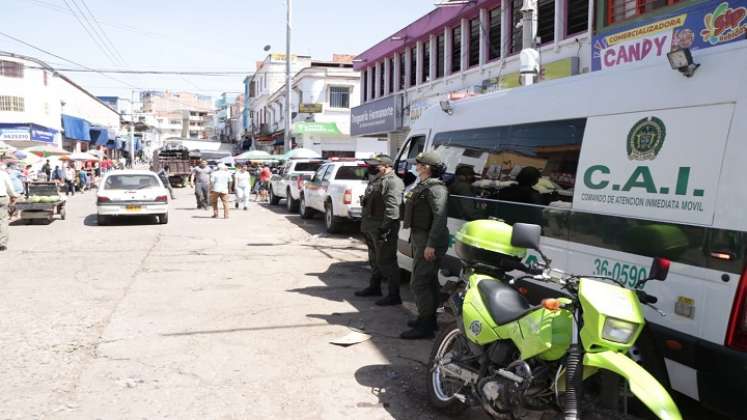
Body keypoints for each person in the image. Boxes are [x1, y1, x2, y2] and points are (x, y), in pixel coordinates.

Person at [401, 151, 450, 339]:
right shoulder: (423, 185)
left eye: (420, 163)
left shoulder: (436, 189)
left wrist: (431, 245)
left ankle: (425, 326)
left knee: (419, 283)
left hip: (430, 241)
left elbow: (440, 218)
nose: (417, 165)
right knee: (429, 282)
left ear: (427, 167)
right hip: (421, 239)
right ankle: (428, 320)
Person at [355, 155, 405, 306]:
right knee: (374, 259)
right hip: (371, 227)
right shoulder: (378, 180)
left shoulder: (393, 182)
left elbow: (392, 208)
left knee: (387, 261)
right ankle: (374, 286)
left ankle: (393, 295)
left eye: (376, 165)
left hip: (382, 228)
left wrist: (385, 228)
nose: (372, 168)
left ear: (386, 166)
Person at [0, 164, 19, 251]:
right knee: (3, 220)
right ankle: (2, 243)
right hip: (2, 198)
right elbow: (10, 188)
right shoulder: (3, 174)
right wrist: (13, 196)